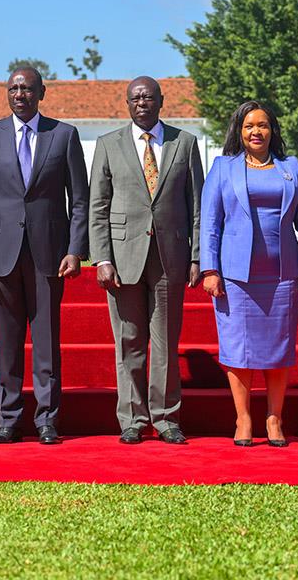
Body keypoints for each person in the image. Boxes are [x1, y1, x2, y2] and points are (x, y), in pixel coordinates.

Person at [0, 66, 89, 445]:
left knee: (47, 342)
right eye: (14, 88)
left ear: (41, 92)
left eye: (27, 89)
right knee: (8, 343)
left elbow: (79, 200)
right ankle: (8, 418)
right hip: (0, 256)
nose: (20, 94)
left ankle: (47, 419)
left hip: (49, 253)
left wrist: (75, 249)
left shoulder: (64, 135)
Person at [200, 101, 298, 447]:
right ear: (239, 131)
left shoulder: (291, 168)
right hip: (235, 278)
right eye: (249, 126)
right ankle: (243, 418)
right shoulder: (223, 168)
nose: (257, 132)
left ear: (273, 130)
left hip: (283, 274)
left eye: (263, 125)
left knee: (277, 348)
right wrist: (210, 269)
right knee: (238, 348)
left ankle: (274, 418)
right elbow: (210, 223)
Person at [89, 76, 204, 445]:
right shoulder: (109, 145)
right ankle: (133, 419)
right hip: (122, 259)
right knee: (128, 340)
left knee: (166, 341)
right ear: (127, 103)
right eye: (136, 98)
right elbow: (98, 207)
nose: (142, 103)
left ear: (161, 101)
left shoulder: (184, 143)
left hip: (171, 255)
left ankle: (166, 417)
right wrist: (102, 258)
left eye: (149, 97)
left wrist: (197, 255)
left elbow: (197, 206)